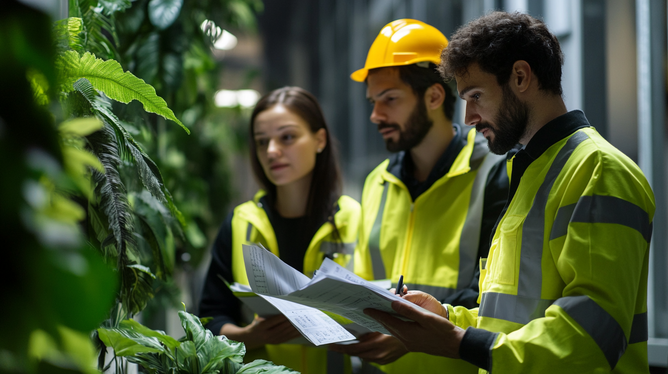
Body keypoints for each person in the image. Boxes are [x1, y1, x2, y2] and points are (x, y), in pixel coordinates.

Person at [364, 11, 655, 374]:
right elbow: (508, 318)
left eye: (475, 95)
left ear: (520, 77)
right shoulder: (530, 172)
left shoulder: (598, 170)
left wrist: (457, 342)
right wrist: (446, 315)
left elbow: (591, 338)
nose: (468, 117)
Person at [330, 19, 509, 374]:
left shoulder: (494, 174)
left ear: (434, 96)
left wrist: (407, 331)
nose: (375, 115)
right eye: (372, 101)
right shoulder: (376, 183)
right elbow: (364, 286)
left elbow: (494, 300)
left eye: (389, 99)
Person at [199, 86, 361, 373]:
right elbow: (211, 316)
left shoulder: (357, 218)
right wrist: (248, 337)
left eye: (287, 137)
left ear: (319, 139)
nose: (272, 151)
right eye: (262, 142)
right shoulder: (241, 223)